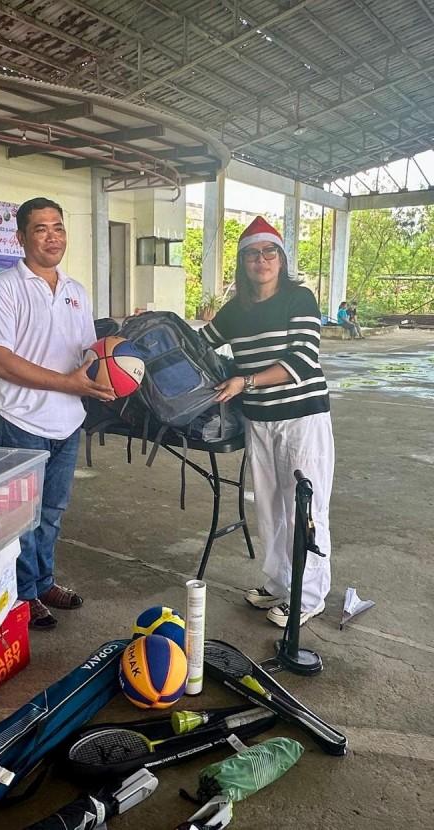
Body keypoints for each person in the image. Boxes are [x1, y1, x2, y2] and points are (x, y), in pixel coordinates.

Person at [0, 197, 115, 631]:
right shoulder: (5, 288)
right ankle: (23, 593)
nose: (53, 237)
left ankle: (43, 581)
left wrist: (112, 366)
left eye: (59, 227)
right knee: (21, 517)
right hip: (21, 421)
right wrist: (68, 383)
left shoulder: (76, 291)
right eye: (41, 229)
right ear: (21, 238)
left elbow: (84, 354)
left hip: (67, 421)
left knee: (51, 511)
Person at [200, 216, 334, 628]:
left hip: (301, 418)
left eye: (269, 251)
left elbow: (302, 358)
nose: (262, 260)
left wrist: (247, 380)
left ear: (281, 258)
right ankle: (279, 584)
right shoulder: (235, 311)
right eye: (252, 254)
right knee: (271, 509)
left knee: (305, 507)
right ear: (243, 263)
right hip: (260, 420)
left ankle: (308, 596)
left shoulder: (299, 299)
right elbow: (198, 343)